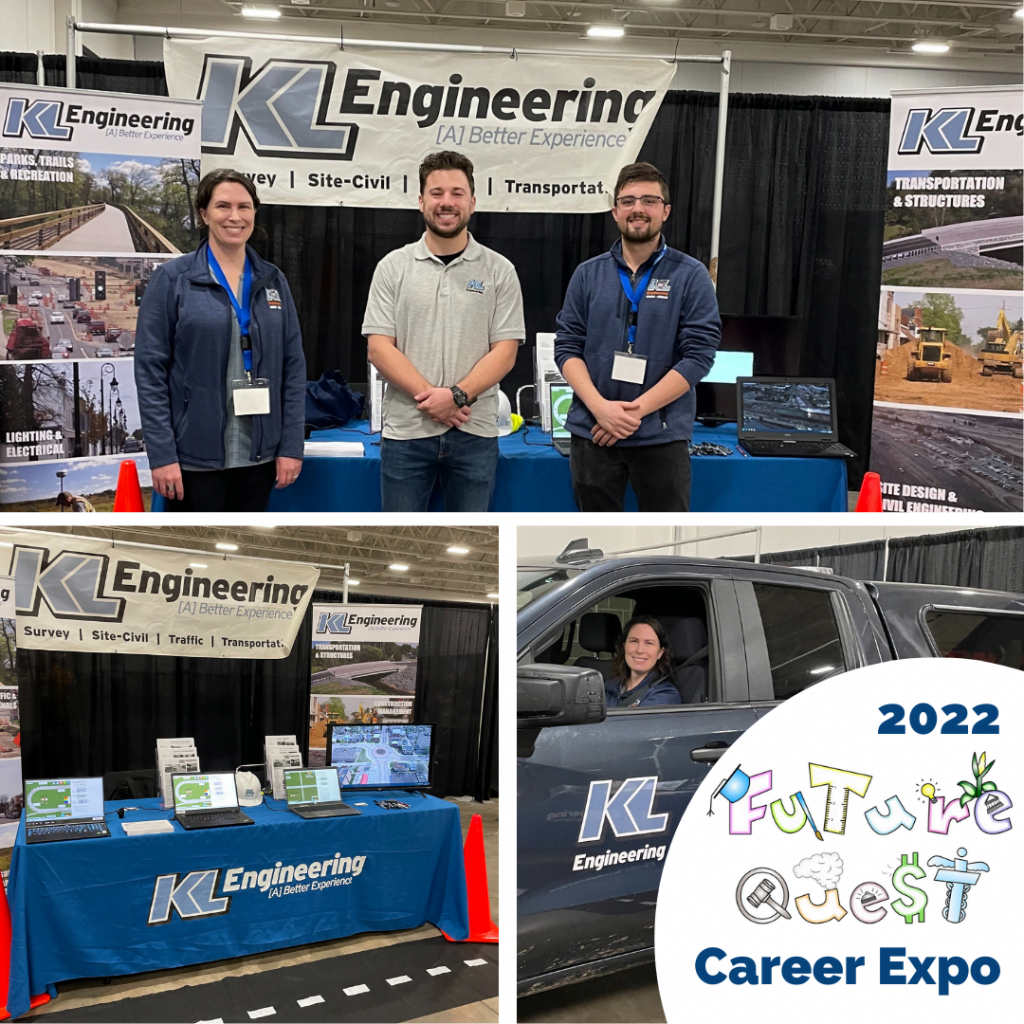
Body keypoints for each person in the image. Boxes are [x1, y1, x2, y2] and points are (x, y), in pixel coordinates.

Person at [134, 169, 306, 512]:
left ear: (254, 213)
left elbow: (294, 368)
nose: (235, 216)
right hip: (194, 460)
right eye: (223, 206)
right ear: (204, 214)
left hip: (259, 457)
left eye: (244, 207)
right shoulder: (173, 279)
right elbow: (150, 373)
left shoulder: (273, 281)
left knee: (245, 541)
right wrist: (163, 455)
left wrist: (290, 446)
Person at [554, 161, 721, 512]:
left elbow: (699, 356)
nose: (638, 209)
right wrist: (600, 409)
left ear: (666, 210)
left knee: (663, 534)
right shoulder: (587, 274)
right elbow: (567, 347)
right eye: (628, 201)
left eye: (649, 200)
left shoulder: (691, 275)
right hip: (594, 431)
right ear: (615, 211)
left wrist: (634, 413)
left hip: (662, 435)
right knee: (597, 536)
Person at [363, 151, 524, 512]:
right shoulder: (392, 267)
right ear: (421, 201)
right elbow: (379, 348)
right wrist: (436, 401)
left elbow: (505, 352)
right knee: (400, 539)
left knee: (474, 535)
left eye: (457, 193)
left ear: (472, 202)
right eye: (436, 193)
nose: (446, 202)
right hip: (406, 433)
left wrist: (456, 396)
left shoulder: (500, 270)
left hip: (475, 435)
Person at [605, 616, 681, 708]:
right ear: (624, 647)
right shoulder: (609, 687)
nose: (639, 650)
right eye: (634, 641)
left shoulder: (665, 695)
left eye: (649, 643)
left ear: (660, 652)